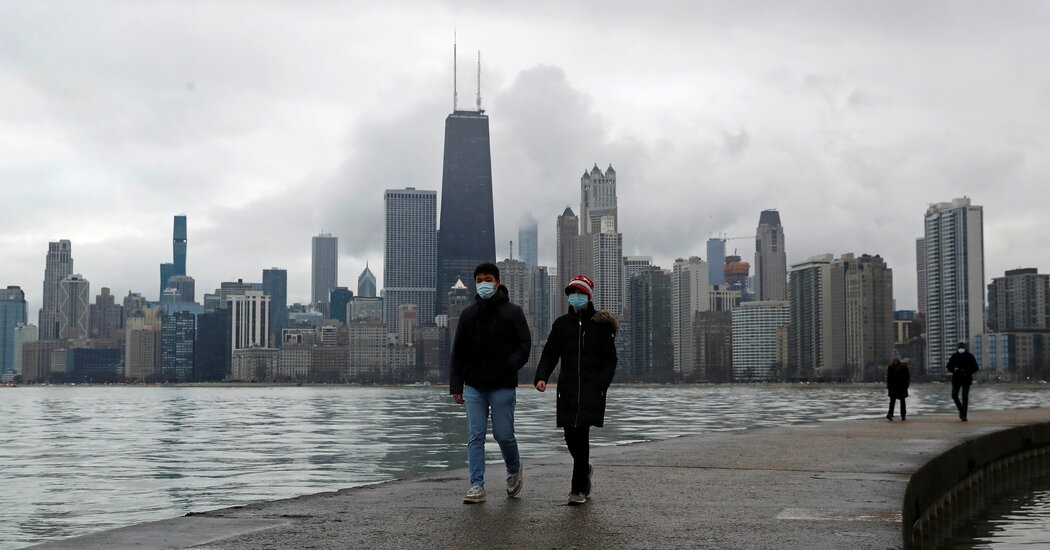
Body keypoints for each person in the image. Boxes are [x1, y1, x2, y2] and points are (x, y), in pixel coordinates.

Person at [449, 263, 531, 504]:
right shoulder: (467, 314)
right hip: (474, 385)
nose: (483, 283)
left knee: (503, 435)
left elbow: (524, 346)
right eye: (479, 280)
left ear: (497, 282)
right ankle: (476, 485)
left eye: (487, 279)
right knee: (475, 436)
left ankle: (514, 470)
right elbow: (458, 352)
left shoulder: (513, 312)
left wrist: (508, 365)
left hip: (503, 384)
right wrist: (456, 385)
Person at [534, 275, 618, 505]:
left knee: (581, 436)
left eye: (580, 292)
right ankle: (585, 468)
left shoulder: (601, 325)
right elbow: (550, 352)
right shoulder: (561, 324)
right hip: (568, 389)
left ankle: (578, 489)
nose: (575, 296)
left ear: (589, 296)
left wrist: (602, 383)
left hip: (592, 389)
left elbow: (610, 360)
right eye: (572, 292)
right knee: (570, 436)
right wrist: (542, 376)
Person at [946, 342, 979, 421]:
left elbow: (975, 367)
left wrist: (966, 371)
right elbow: (949, 366)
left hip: (966, 379)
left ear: (965, 348)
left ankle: (964, 415)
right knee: (954, 395)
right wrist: (954, 369)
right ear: (957, 349)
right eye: (960, 348)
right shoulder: (954, 356)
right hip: (956, 379)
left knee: (965, 397)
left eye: (962, 348)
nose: (961, 349)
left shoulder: (970, 356)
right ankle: (961, 410)